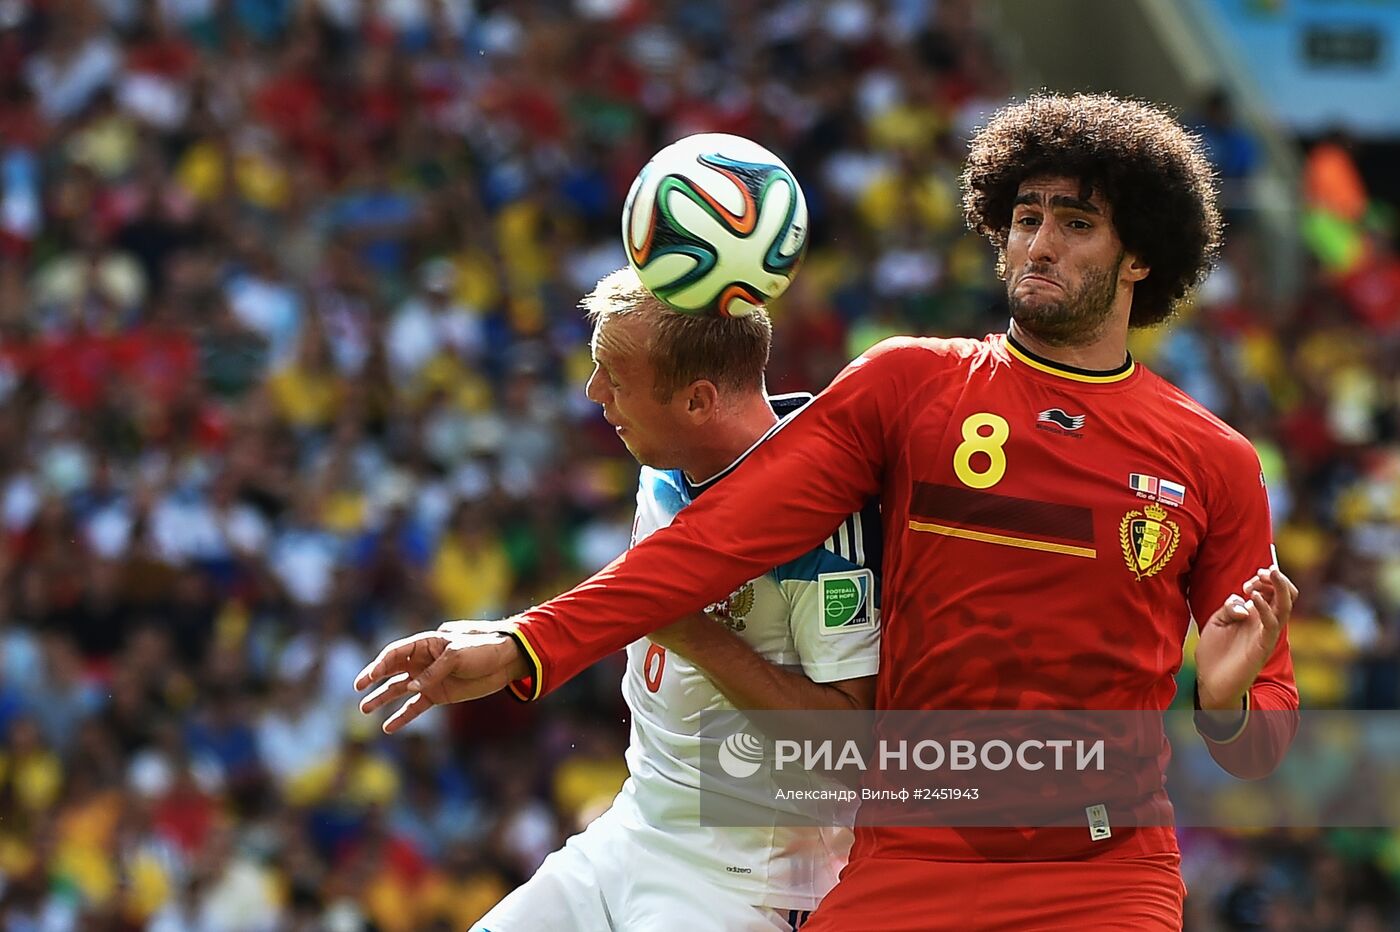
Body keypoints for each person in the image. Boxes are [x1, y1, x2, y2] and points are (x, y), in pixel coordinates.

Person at [356, 94, 1300, 929]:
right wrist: (527, 643)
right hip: (911, 860)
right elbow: (714, 542)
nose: (1038, 243)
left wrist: (1223, 705)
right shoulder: (907, 385)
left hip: (1102, 874)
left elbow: (1261, 746)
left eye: (1076, 223)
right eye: (1023, 217)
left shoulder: (1214, 463)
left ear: (1139, 256)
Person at [363, 268, 882, 930]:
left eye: (614, 375)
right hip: (629, 831)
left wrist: (691, 631)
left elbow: (846, 757)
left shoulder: (827, 526)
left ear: (697, 401)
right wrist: (513, 640)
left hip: (738, 885)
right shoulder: (663, 463)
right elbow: (653, 584)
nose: (593, 392)